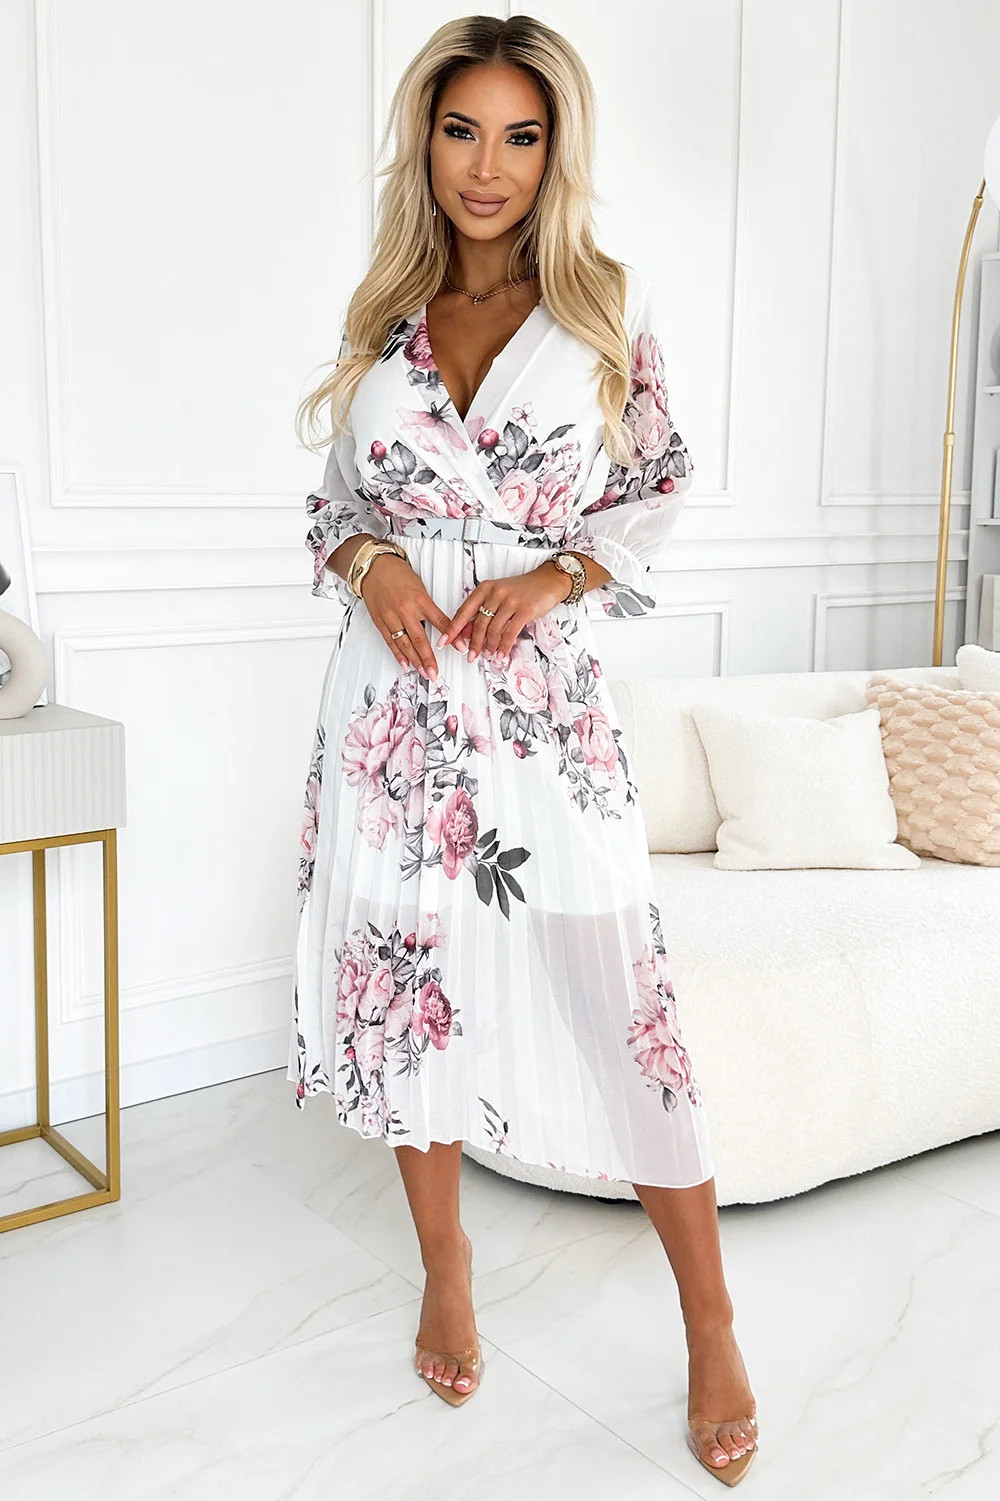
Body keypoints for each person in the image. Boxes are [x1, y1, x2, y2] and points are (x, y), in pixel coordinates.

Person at [288, 14, 757, 1486]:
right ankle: (446, 1265)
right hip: (394, 713)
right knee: (406, 986)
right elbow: (333, 502)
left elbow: (659, 482)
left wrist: (556, 574)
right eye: (461, 130)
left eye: (520, 135)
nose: (486, 166)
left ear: (556, 150)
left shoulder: (603, 305)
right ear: (424, 141)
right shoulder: (385, 314)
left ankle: (710, 1318)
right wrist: (373, 563)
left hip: (544, 707)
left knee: (624, 999)